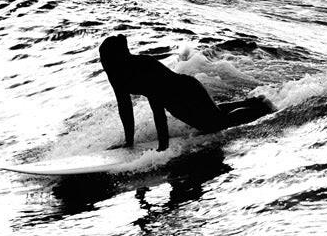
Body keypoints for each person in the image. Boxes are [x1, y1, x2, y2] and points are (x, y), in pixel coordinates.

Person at [97, 35, 272, 152]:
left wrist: (163, 149)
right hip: (175, 99)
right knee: (213, 115)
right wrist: (129, 142)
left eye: (106, 59)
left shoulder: (143, 66)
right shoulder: (117, 74)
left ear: (118, 58)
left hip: (187, 92)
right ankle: (252, 102)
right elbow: (125, 107)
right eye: (102, 60)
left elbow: (157, 110)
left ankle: (261, 109)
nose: (104, 64)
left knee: (216, 124)